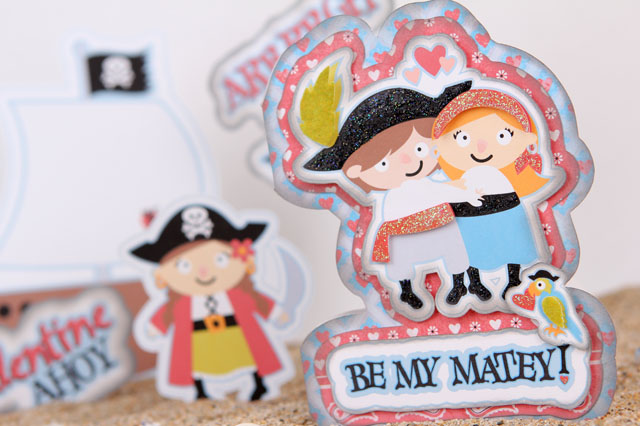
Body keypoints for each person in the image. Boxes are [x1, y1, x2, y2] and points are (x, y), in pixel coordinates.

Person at [302, 81, 484, 313]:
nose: (410, 162)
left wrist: (467, 194)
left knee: (455, 252)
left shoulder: (431, 182)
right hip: (401, 233)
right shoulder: (390, 197)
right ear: (355, 172)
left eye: (420, 149)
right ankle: (406, 290)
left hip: (440, 224)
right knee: (402, 263)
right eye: (384, 163)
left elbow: (443, 190)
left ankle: (461, 283)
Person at [130, 205, 284, 400]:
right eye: (184, 265)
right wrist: (156, 326)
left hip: (235, 331)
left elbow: (255, 300)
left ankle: (258, 383)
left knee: (248, 356)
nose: (204, 272)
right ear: (163, 274)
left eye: (220, 259)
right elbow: (168, 312)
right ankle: (200, 389)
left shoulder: (239, 293)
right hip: (198, 336)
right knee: (197, 362)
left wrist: (276, 312)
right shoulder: (180, 303)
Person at [432, 89, 548, 305]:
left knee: (512, 243)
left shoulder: (508, 178)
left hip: (505, 205)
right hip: (467, 213)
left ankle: (514, 280)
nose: (481, 147)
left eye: (502, 136)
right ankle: (473, 283)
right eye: (464, 138)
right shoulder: (457, 180)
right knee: (469, 247)